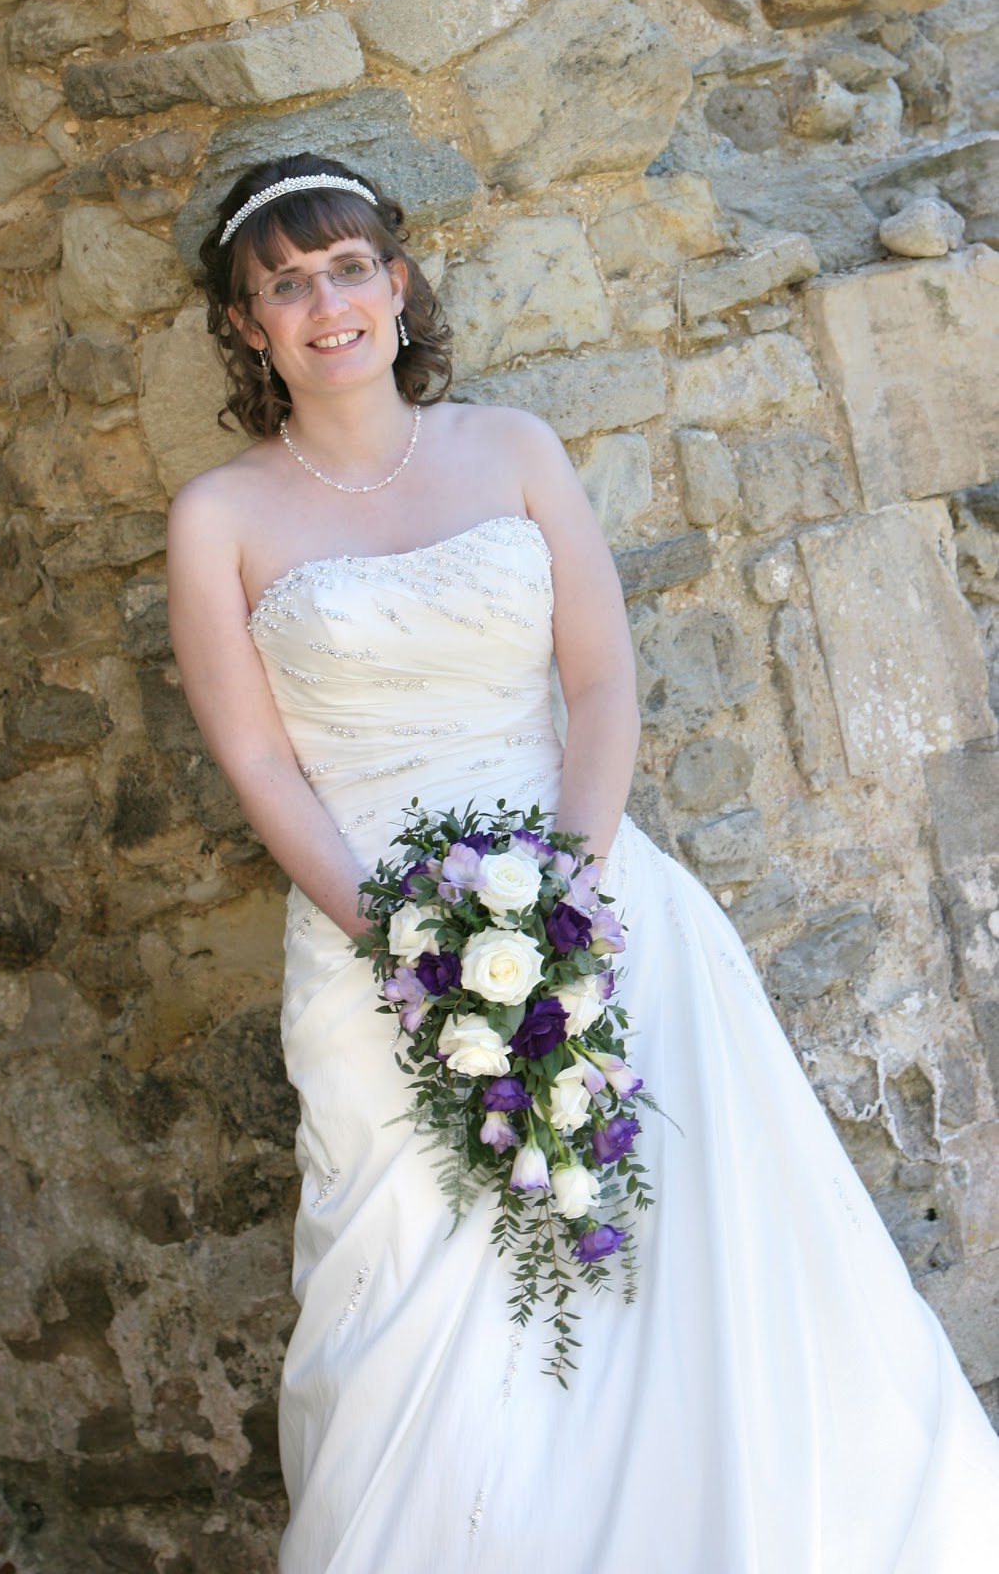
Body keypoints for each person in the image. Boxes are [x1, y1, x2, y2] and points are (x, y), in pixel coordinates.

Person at [166, 153, 999, 1573]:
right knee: (425, 1293)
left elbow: (603, 688)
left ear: (399, 281)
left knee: (685, 1255)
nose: (327, 306)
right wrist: (403, 943)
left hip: (599, 903)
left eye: (349, 268)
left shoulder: (514, 451)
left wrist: (565, 891)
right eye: (286, 287)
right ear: (248, 327)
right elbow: (259, 764)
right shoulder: (221, 519)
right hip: (375, 942)